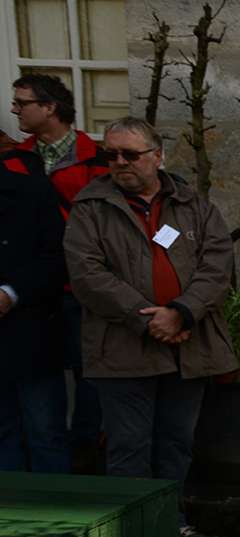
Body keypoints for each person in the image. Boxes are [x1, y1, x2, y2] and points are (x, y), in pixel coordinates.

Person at [63, 116, 237, 537]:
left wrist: (181, 313)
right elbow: (86, 275)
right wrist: (149, 320)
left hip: (188, 346)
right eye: (111, 154)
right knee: (128, 446)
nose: (119, 162)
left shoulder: (194, 205)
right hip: (122, 348)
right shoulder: (90, 208)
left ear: (157, 156)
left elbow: (218, 266)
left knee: (176, 444)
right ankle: (131, 536)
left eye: (130, 154)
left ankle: (170, 524)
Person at [8, 74, 109, 473]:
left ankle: (84, 443)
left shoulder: (99, 159)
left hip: (82, 286)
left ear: (49, 107)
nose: (14, 109)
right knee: (40, 375)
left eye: (22, 103)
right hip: (34, 288)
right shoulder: (13, 160)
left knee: (91, 371)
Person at [0, 165, 71, 473]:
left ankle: (54, 502)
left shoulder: (33, 191)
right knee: (3, 435)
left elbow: (58, 259)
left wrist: (10, 293)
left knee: (46, 433)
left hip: (31, 335)